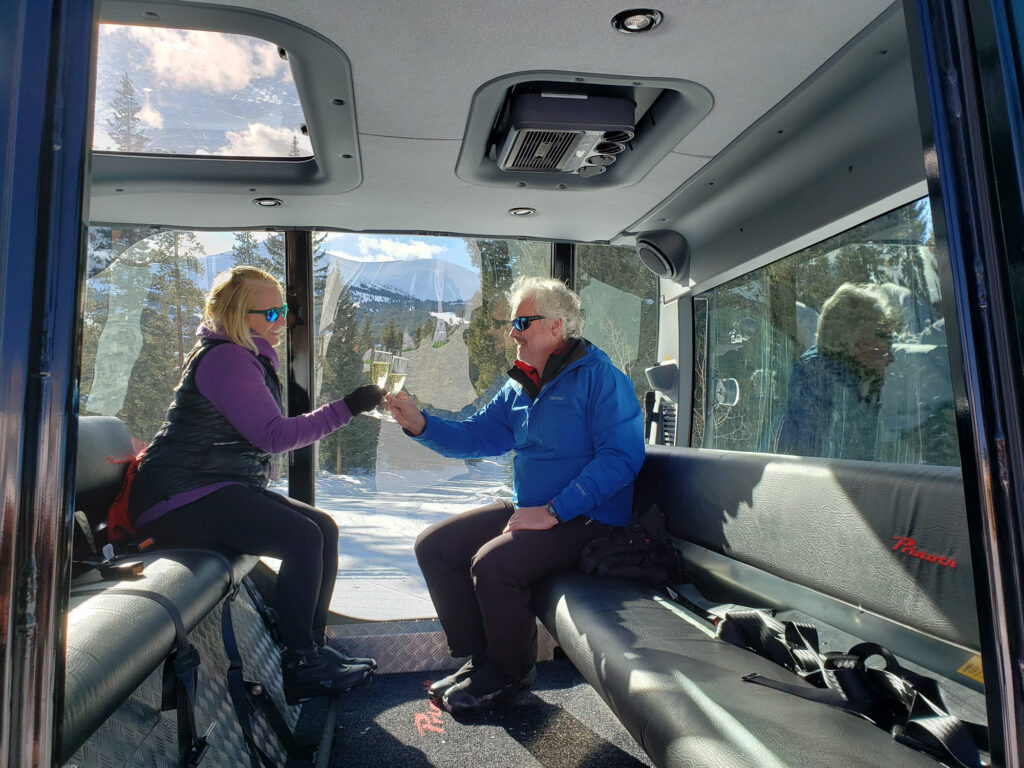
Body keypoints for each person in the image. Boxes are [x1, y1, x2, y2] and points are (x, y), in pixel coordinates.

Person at [386, 276, 646, 714]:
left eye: (523, 321)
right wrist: (420, 424)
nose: (512, 331)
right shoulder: (521, 385)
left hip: (590, 517)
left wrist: (554, 510)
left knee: (495, 564)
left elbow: (622, 458)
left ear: (557, 327)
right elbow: (476, 436)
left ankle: (511, 671)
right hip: (536, 508)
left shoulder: (601, 378)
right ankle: (482, 657)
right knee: (437, 547)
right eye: (512, 322)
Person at [127, 266, 385, 704]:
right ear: (234, 314)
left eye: (283, 310)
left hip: (210, 485)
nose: (280, 321)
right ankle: (302, 664)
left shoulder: (244, 355)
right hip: (179, 496)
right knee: (303, 537)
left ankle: (311, 650)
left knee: (321, 528)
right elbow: (273, 436)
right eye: (270, 313)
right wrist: (348, 408)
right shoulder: (227, 358)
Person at [776, 282, 896, 461]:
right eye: (882, 336)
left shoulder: (856, 385)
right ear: (852, 340)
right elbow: (822, 472)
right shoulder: (820, 387)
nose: (891, 357)